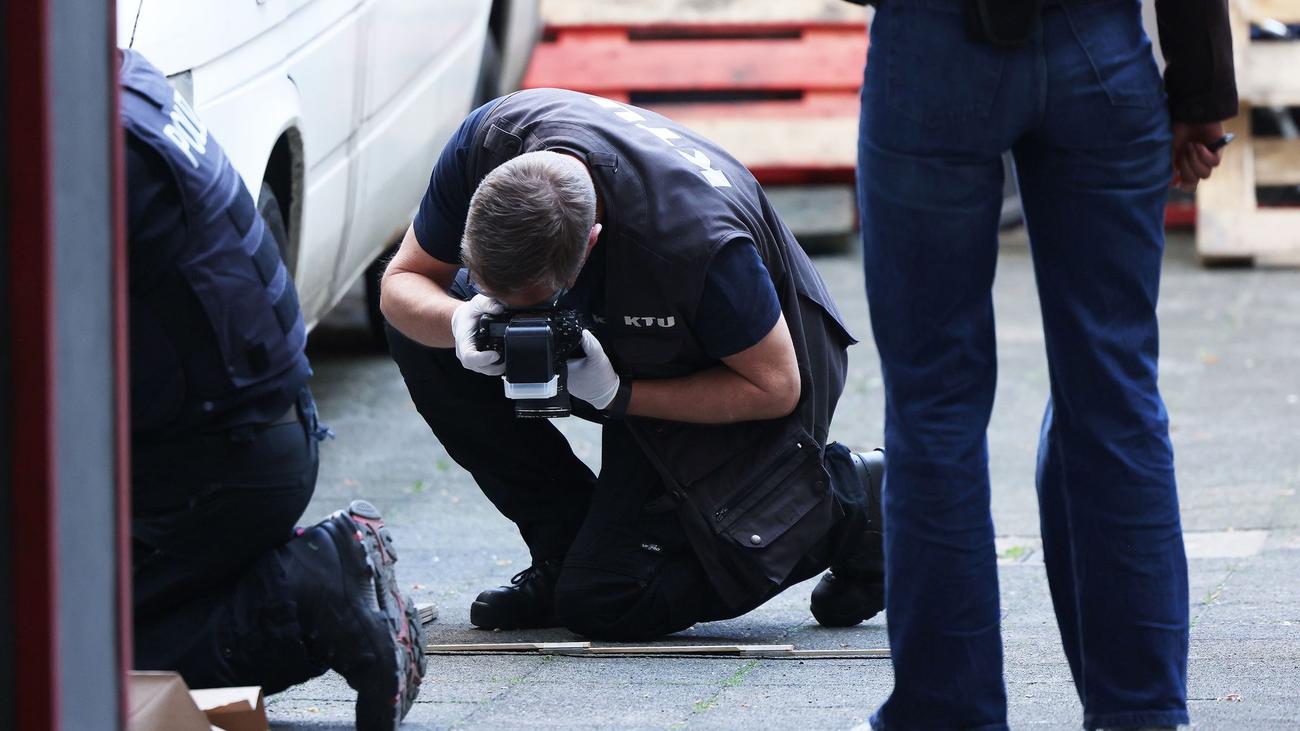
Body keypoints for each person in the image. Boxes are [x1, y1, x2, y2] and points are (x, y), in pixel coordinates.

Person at [849, 0, 1237, 728]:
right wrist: (1204, 89)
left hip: (931, 44)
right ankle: (1143, 713)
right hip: (1097, 44)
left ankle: (947, 713)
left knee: (934, 405)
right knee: (1115, 392)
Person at [381, 88, 885, 640]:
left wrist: (621, 395)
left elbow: (776, 387)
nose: (515, 319)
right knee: (419, 333)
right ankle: (566, 549)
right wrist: (459, 323)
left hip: (736, 366)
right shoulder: (487, 143)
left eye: (535, 300)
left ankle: (852, 502)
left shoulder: (695, 245)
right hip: (630, 326)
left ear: (592, 240)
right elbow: (404, 281)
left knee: (609, 601)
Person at [121, 48, 425, 730]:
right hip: (248, 431)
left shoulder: (82, 147)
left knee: (57, 655)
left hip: (212, 462)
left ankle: (309, 594)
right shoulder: (114, 79)